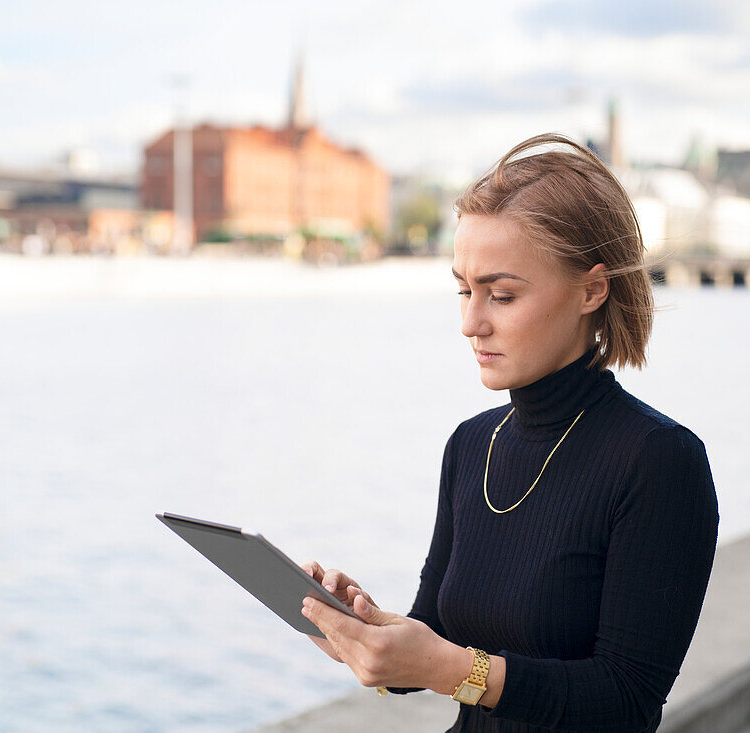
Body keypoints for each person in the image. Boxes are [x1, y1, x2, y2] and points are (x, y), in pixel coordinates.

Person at [300, 133, 719, 733]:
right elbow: (437, 639)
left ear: (592, 290)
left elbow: (628, 700)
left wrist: (452, 671)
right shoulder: (470, 445)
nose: (471, 323)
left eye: (501, 294)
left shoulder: (659, 461)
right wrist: (367, 633)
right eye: (464, 291)